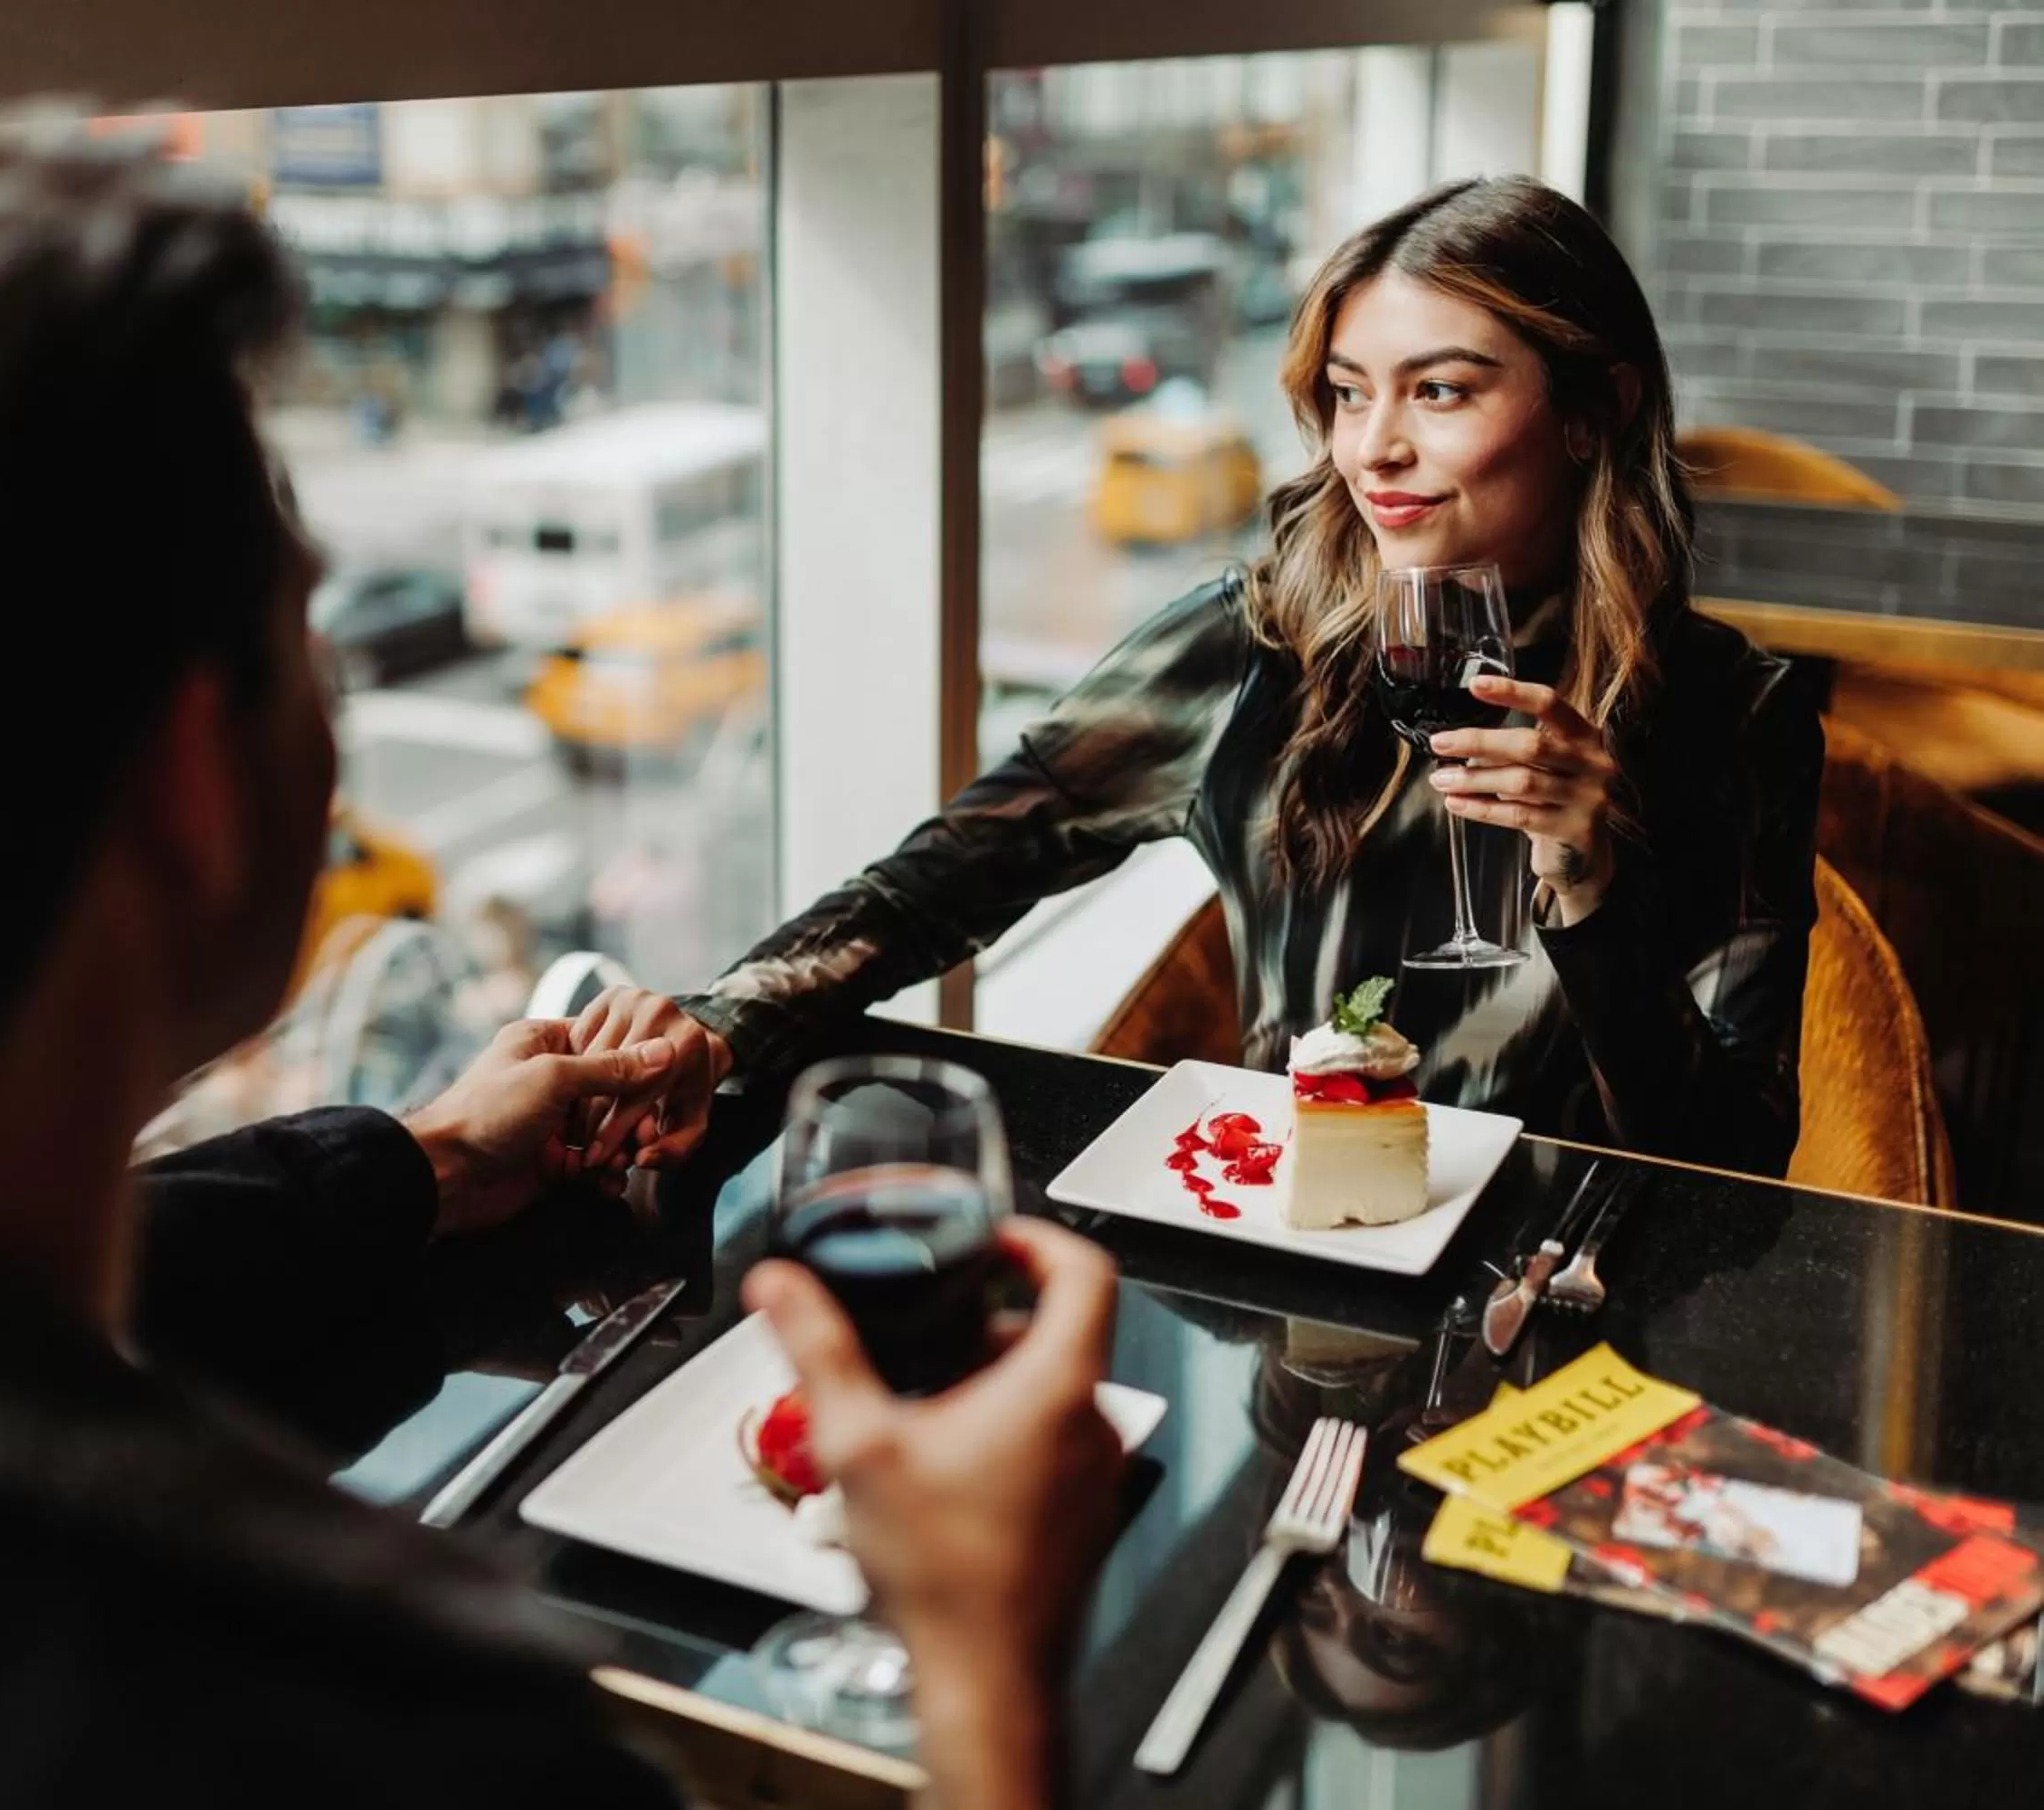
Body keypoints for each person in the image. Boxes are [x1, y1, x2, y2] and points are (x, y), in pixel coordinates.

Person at [0, 134, 1124, 1809]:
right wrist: (981, 1671)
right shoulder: (366, 1726)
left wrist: (413, 1168)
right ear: (196, 785)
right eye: (301, 627)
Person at [576, 176, 1824, 1181]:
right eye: (1346, 395)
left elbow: (1732, 1166)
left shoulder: (1738, 718)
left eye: (1440, 392)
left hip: (1573, 1325)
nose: (1372, 449)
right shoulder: (1255, 645)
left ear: (1593, 409)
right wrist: (720, 1022)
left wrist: (1589, 887)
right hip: (1297, 1276)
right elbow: (945, 877)